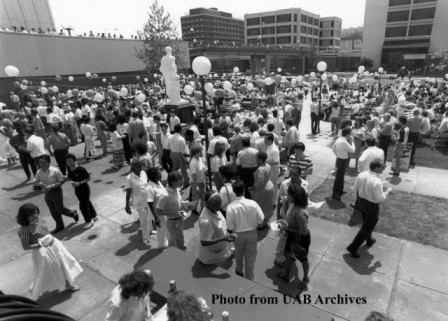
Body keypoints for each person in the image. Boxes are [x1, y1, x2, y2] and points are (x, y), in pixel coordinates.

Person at [17, 203, 82, 300]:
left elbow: (46, 232)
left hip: (53, 245)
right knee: (44, 273)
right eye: (31, 215)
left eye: (35, 212)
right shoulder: (24, 230)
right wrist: (40, 244)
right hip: (41, 252)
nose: (35, 216)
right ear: (24, 217)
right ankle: (35, 290)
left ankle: (68, 284)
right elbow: (25, 246)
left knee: (62, 265)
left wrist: (50, 239)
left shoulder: (39, 219)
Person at [347, 159, 392, 258]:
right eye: (381, 167)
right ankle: (353, 247)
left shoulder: (362, 174)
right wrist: (387, 192)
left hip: (361, 202)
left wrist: (383, 183)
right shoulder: (376, 181)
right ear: (376, 168)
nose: (383, 169)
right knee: (368, 226)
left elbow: (356, 188)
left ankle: (369, 239)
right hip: (371, 207)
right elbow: (379, 198)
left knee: (367, 222)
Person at [226, 180, 264, 280]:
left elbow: (229, 227)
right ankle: (249, 278)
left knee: (238, 254)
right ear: (243, 190)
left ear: (234, 191)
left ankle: (239, 271)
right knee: (250, 258)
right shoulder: (253, 203)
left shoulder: (230, 207)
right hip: (252, 234)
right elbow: (261, 219)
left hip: (238, 235)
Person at [276, 185, 311, 291]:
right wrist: (286, 203)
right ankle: (286, 275)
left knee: (302, 259)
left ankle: (305, 278)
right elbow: (286, 216)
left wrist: (287, 229)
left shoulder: (299, 213)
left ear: (294, 197)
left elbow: (304, 232)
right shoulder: (293, 206)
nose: (287, 196)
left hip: (300, 239)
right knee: (288, 254)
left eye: (289, 195)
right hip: (291, 236)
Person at [34, 154, 79, 234]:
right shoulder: (39, 172)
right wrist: (40, 183)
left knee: (59, 209)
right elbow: (36, 181)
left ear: (49, 162)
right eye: (40, 162)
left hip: (56, 191)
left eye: (44, 162)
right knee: (53, 211)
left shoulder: (55, 170)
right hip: (47, 193)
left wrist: (52, 186)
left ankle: (73, 213)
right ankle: (60, 226)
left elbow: (62, 181)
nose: (42, 164)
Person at [198, 191, 235, 265]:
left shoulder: (214, 209)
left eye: (219, 204)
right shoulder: (206, 222)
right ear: (207, 204)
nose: (219, 207)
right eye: (216, 205)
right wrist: (224, 238)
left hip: (220, 244)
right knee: (210, 262)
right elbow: (204, 242)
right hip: (210, 253)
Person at [156, 172, 191, 250]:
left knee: (180, 240)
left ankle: (182, 251)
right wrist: (174, 213)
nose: (182, 181)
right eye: (180, 180)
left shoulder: (176, 190)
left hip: (179, 220)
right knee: (173, 244)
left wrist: (186, 204)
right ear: (173, 182)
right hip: (172, 222)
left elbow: (178, 202)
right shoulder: (164, 195)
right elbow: (158, 211)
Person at [125, 159, 154, 246]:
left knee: (149, 216)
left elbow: (147, 184)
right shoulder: (130, 177)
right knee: (143, 220)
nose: (140, 168)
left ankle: (151, 231)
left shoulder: (143, 173)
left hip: (147, 199)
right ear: (133, 167)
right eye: (138, 166)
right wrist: (127, 205)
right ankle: (146, 239)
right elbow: (128, 192)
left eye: (141, 166)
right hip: (138, 202)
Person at [66, 153, 98, 229]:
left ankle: (89, 221)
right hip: (77, 190)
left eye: (71, 161)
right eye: (67, 162)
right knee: (87, 203)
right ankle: (94, 216)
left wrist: (79, 183)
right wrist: (71, 182)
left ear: (74, 161)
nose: (69, 163)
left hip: (85, 189)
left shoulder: (81, 169)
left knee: (83, 206)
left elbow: (88, 178)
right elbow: (69, 178)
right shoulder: (69, 170)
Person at [146, 167, 168, 249]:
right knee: (161, 230)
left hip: (165, 210)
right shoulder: (149, 188)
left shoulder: (159, 182)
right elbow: (150, 203)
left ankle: (164, 241)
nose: (161, 174)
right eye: (159, 173)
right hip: (158, 213)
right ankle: (162, 245)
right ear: (155, 176)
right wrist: (156, 218)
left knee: (164, 228)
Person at [331, 127, 355, 201]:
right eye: (350, 134)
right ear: (348, 134)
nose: (351, 135)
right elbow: (352, 150)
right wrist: (352, 142)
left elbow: (333, 148)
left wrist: (337, 154)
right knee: (339, 177)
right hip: (342, 160)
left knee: (341, 176)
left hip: (340, 159)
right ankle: (335, 194)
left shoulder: (339, 139)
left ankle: (340, 190)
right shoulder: (344, 142)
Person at [252, 151, 274, 228]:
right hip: (269, 186)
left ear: (260, 160)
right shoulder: (268, 165)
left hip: (262, 190)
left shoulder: (260, 169)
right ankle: (265, 221)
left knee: (260, 207)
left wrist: (252, 187)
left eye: (256, 158)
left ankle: (261, 224)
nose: (255, 160)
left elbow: (260, 183)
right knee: (267, 206)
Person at [189, 145, 206, 213]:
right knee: (195, 197)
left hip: (202, 180)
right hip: (196, 182)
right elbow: (194, 175)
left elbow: (202, 168)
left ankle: (203, 210)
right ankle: (193, 210)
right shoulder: (193, 163)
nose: (202, 152)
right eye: (200, 151)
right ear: (196, 153)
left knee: (203, 196)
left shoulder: (200, 159)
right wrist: (196, 186)